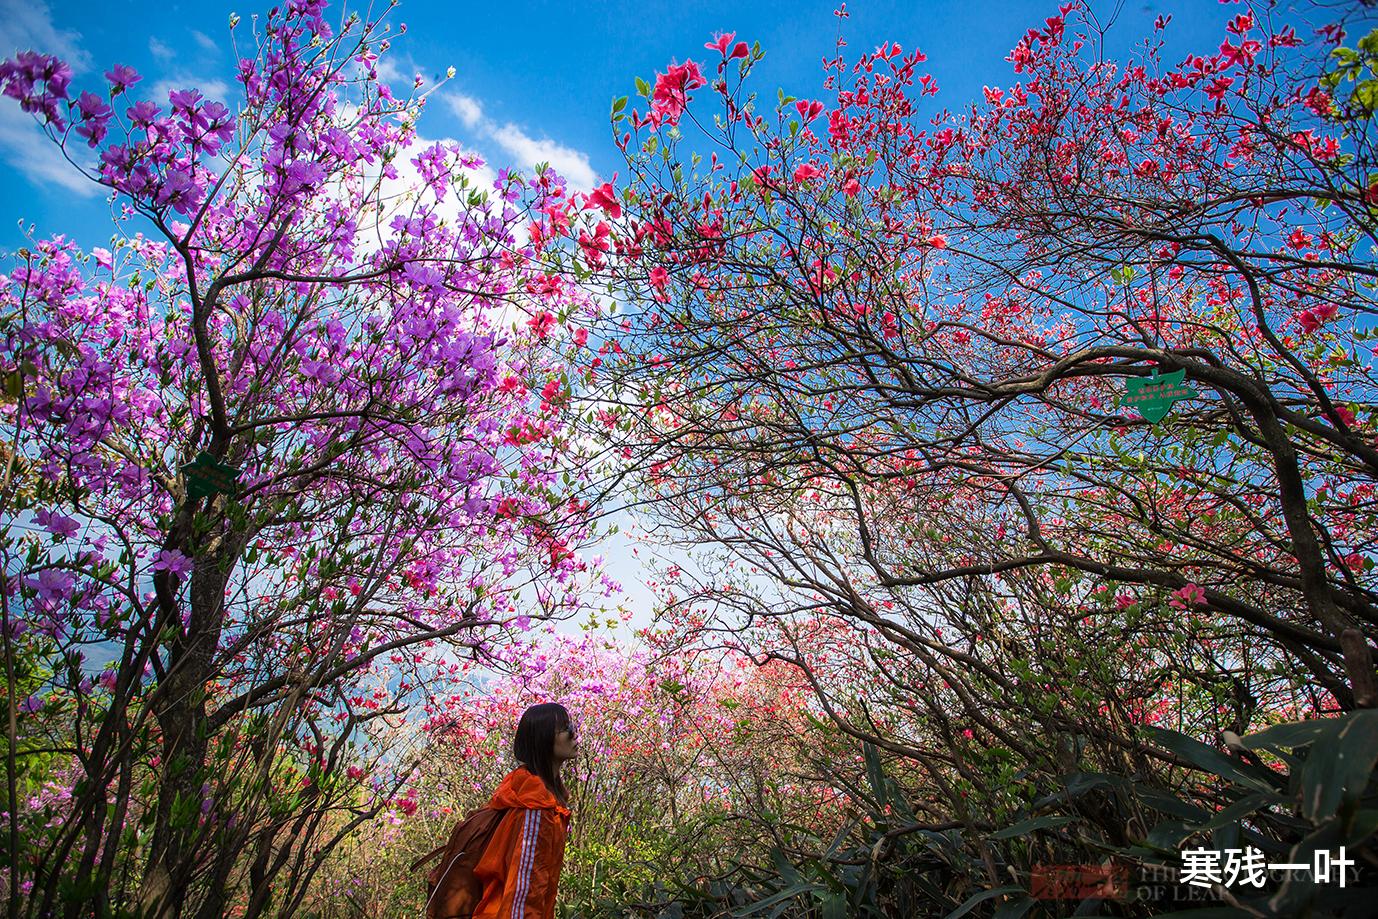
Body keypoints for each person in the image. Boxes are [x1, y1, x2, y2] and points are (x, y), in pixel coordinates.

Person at [471, 702, 578, 919]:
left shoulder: (543, 799)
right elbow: (522, 893)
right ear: (544, 739)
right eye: (567, 729)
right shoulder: (534, 807)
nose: (574, 735)